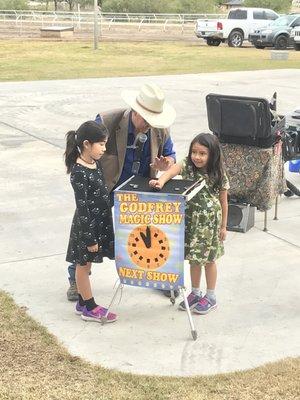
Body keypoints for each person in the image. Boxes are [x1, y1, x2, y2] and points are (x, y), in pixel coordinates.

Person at [67, 83, 178, 301]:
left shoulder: (159, 128)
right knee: (86, 225)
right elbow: (86, 147)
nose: (148, 126)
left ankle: (158, 277)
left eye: (152, 121)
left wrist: (166, 163)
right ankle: (76, 277)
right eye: (145, 120)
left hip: (138, 189)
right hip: (106, 186)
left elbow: (171, 156)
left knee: (150, 234)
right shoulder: (107, 121)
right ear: (135, 111)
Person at [149, 133, 229, 315]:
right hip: (191, 222)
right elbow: (171, 171)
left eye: (202, 153)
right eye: (194, 152)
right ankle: (195, 292)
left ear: (212, 155)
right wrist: (160, 181)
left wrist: (223, 227)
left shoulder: (219, 173)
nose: (197, 157)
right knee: (194, 259)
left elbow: (224, 201)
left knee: (209, 260)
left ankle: (210, 296)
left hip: (210, 224)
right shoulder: (187, 165)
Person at [64, 120, 117, 323]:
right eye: (101, 144)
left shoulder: (95, 163)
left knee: (85, 265)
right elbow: (82, 206)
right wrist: (90, 239)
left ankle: (82, 303)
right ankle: (90, 307)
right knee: (83, 265)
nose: (104, 149)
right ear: (87, 144)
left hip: (98, 221)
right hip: (87, 226)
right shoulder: (78, 171)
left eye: (105, 144)